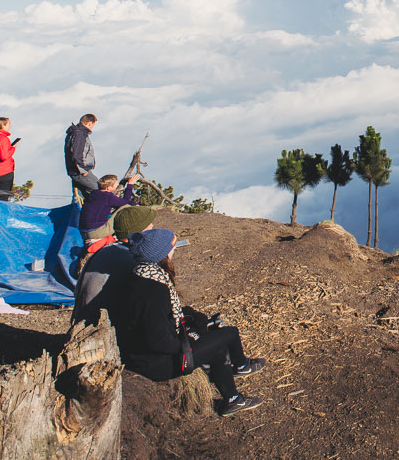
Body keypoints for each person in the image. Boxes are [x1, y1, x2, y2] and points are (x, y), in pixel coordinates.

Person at [115, 229, 266, 416]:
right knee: (229, 334)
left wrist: (189, 319)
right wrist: (190, 340)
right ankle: (242, 368)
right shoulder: (154, 290)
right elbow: (159, 340)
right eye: (172, 249)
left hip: (141, 357)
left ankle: (232, 399)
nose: (174, 252)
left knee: (216, 344)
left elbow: (159, 317)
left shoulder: (140, 276)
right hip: (158, 364)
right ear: (161, 254)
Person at [71, 205, 156, 325]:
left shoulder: (106, 251)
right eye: (149, 226)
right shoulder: (129, 259)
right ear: (139, 232)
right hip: (101, 328)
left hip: (83, 321)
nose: (153, 227)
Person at [78, 174, 140, 243]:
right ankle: (128, 237)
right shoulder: (108, 196)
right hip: (96, 232)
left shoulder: (94, 194)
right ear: (108, 187)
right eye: (115, 184)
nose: (117, 186)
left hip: (83, 233)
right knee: (127, 207)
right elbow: (125, 202)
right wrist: (130, 185)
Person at [64, 113, 100, 203]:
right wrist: (83, 170)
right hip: (80, 171)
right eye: (93, 125)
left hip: (75, 171)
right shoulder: (80, 134)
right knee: (100, 191)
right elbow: (77, 154)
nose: (92, 127)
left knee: (82, 198)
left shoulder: (73, 133)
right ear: (89, 123)